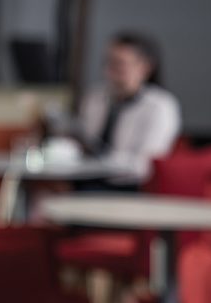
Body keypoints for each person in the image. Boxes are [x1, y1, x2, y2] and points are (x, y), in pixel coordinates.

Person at [72, 32, 181, 187]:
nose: (110, 71)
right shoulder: (94, 98)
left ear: (145, 67)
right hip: (84, 179)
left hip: (130, 187)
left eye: (119, 64)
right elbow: (84, 141)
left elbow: (145, 165)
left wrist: (102, 162)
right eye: (108, 63)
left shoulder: (160, 107)